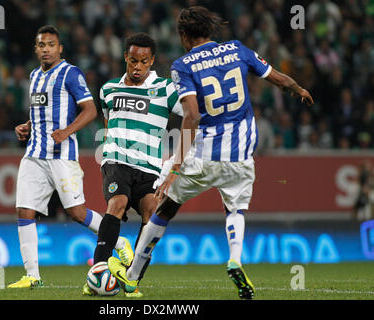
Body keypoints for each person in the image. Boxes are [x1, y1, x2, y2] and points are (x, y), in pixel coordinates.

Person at [109, 6, 314, 300]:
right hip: (241, 153)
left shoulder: (183, 65)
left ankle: (132, 277)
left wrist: (176, 165)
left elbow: (191, 116)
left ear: (183, 35)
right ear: (209, 29)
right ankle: (234, 259)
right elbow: (278, 78)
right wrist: (298, 89)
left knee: (165, 209)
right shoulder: (238, 50)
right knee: (235, 209)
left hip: (203, 154)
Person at [7, 25, 133, 289]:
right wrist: (27, 126)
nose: (46, 49)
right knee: (24, 210)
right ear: (36, 48)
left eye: (51, 44)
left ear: (60, 47)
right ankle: (33, 276)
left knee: (76, 212)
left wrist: (67, 131)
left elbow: (89, 110)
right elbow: (40, 111)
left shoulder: (70, 73)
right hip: (34, 155)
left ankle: (120, 242)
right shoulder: (33, 76)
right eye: (42, 45)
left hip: (62, 155)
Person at [89, 32, 183, 297]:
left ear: (152, 60)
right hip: (116, 160)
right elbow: (107, 123)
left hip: (150, 166)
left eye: (143, 61)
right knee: (116, 204)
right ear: (125, 58)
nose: (137, 67)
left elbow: (191, 115)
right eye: (133, 61)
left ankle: (133, 279)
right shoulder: (108, 89)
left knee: (152, 212)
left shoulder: (166, 90)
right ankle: (96, 275)